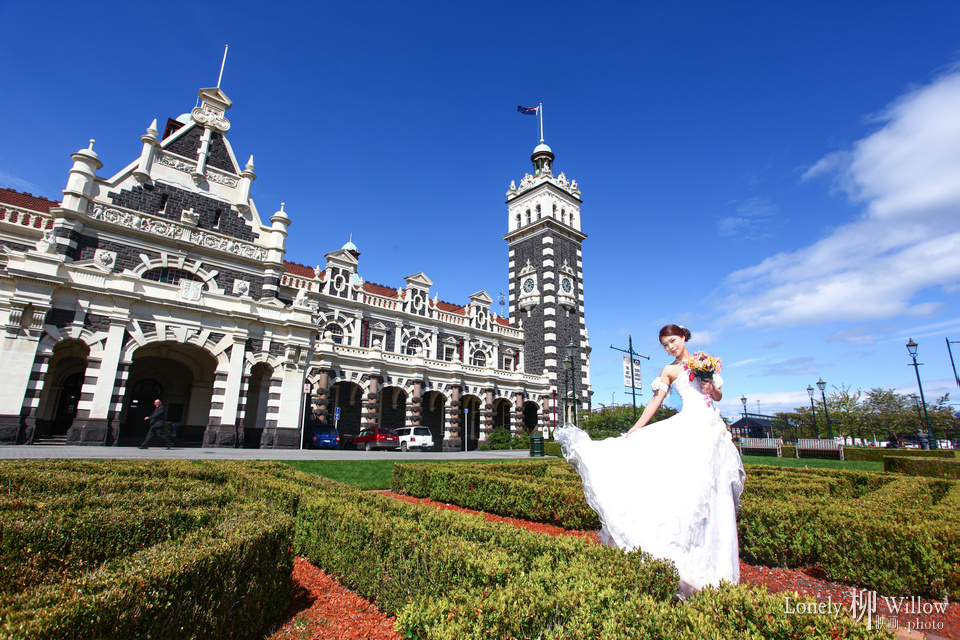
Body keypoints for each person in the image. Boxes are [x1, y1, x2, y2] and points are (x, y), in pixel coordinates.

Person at [556, 324, 745, 599]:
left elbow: (716, 396)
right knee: (690, 488)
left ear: (684, 337)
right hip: (690, 427)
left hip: (712, 429)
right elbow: (656, 400)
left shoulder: (707, 363)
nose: (671, 347)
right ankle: (682, 553)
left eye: (673, 341)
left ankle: (712, 560)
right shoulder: (669, 370)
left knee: (713, 491)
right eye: (666, 344)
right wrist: (637, 427)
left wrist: (708, 385)